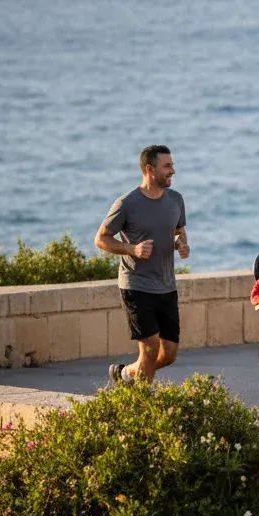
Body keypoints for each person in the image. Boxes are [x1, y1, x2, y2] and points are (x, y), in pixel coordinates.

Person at [96, 145, 189, 383]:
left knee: (167, 355)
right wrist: (132, 249)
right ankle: (142, 408)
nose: (173, 171)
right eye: (167, 166)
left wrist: (181, 244)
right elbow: (101, 239)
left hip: (166, 285)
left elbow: (179, 230)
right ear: (150, 169)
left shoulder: (176, 200)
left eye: (172, 165)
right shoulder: (127, 203)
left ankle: (126, 373)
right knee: (149, 349)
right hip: (136, 285)